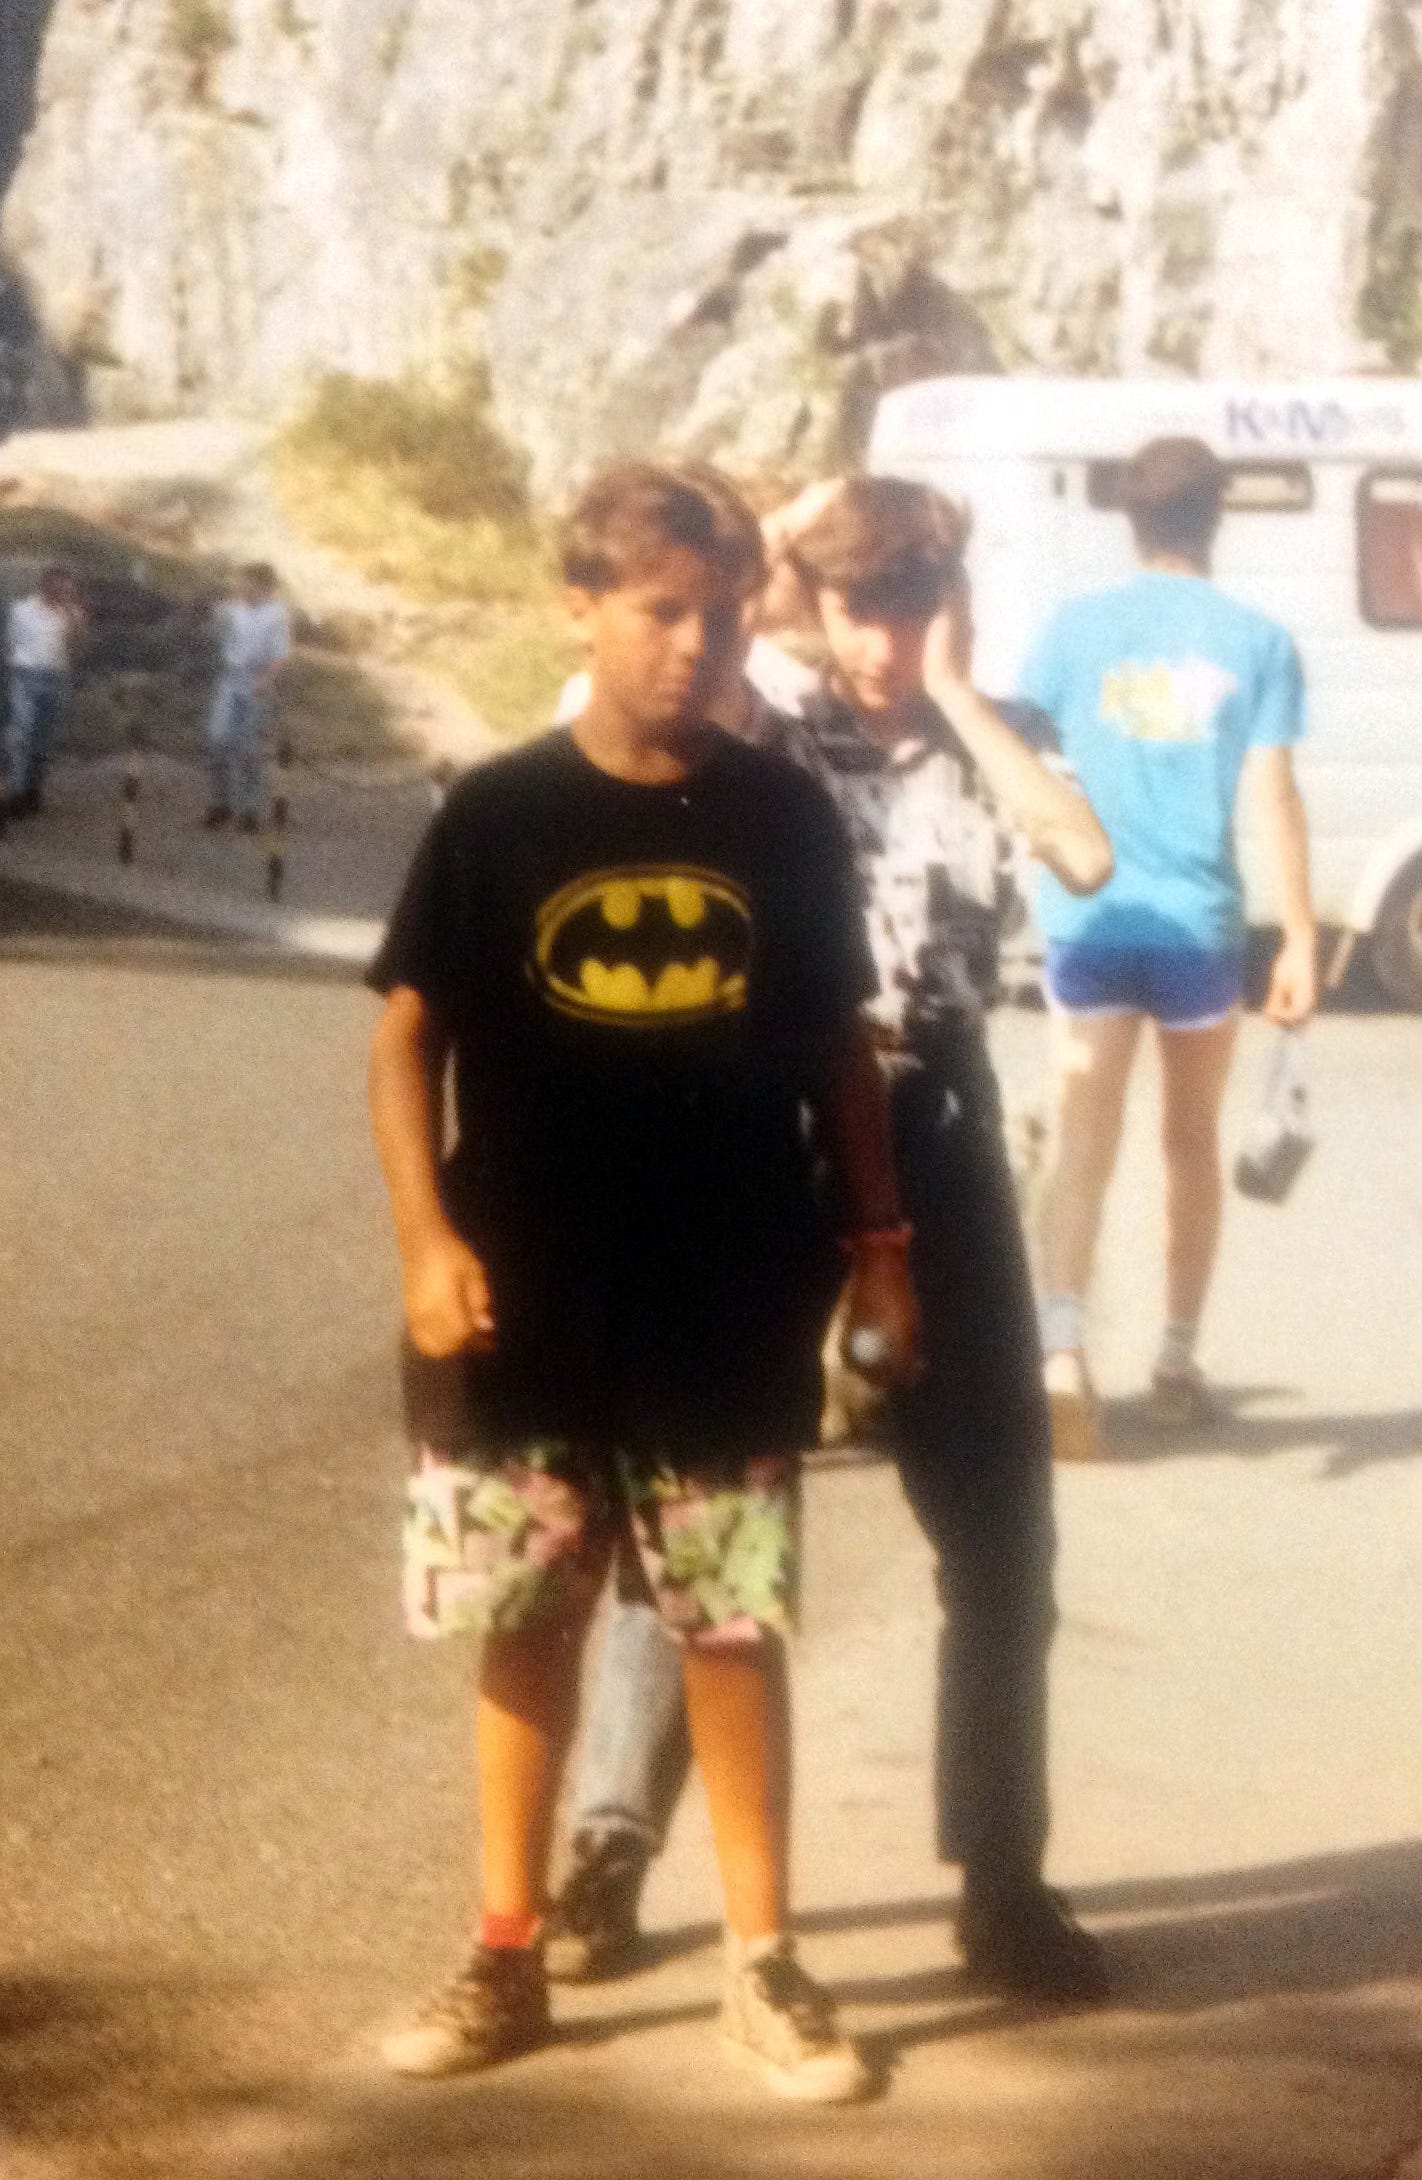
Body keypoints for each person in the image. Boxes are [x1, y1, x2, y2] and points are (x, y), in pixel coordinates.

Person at [367, 462, 921, 2099]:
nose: (694, 645)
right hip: (521, 1302)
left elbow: (838, 1051)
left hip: (725, 1298)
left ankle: (764, 1963)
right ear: (582, 610)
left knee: (728, 1629)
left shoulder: (779, 815)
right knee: (524, 1621)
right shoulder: (499, 811)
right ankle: (501, 1950)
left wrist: (881, 1259)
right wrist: (424, 1239)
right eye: (660, 610)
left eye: (723, 613)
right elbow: (405, 1034)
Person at [547, 475, 1117, 2008]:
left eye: (914, 601)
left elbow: (1077, 857)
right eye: (861, 603)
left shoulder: (1002, 734)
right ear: (816, 601)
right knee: (704, 1517)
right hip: (767, 1135)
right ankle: (607, 1846)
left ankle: (1001, 1881)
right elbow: (656, 673)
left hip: (934, 1132)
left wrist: (950, 689)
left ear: (953, 603)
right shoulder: (764, 721)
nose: (884, 636)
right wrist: (782, 550)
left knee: (1000, 1530)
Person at [1020, 438, 1317, 1460]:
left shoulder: (1071, 631)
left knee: (1082, 1136)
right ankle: (1177, 1360)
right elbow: (1273, 792)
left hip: (1090, 916)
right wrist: (1305, 939)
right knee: (1188, 1143)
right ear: (1216, 515)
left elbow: (1025, 763)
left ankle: (1061, 1351)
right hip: (1199, 925)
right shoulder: (1258, 639)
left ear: (1130, 518)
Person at [204, 561, 290, 832]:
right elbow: (219, 635)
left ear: (262, 585)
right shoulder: (233, 610)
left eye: (247, 582)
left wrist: (266, 681)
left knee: (248, 749)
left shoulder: (277, 615)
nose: (241, 587)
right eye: (240, 582)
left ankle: (249, 808)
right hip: (231, 680)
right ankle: (220, 803)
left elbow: (279, 655)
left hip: (257, 683)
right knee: (218, 739)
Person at [5, 564, 84, 817]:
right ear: (47, 584)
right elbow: (10, 642)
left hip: (57, 677)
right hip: (25, 676)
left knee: (43, 739)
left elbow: (80, 649)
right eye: (61, 585)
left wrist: (73, 617)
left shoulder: (71, 615)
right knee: (20, 736)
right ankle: (15, 793)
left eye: (69, 587)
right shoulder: (21, 610)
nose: (65, 591)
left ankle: (32, 789)